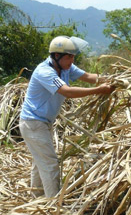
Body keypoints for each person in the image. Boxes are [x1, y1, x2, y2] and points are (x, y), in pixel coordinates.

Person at [19, 36, 115, 198]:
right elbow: (67, 92)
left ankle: (37, 198)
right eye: (69, 56)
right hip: (33, 124)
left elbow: (89, 77)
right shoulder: (45, 72)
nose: (72, 60)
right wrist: (99, 90)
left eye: (73, 56)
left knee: (40, 162)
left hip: (43, 123)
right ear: (56, 56)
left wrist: (114, 81)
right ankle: (53, 205)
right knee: (50, 165)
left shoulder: (66, 67)